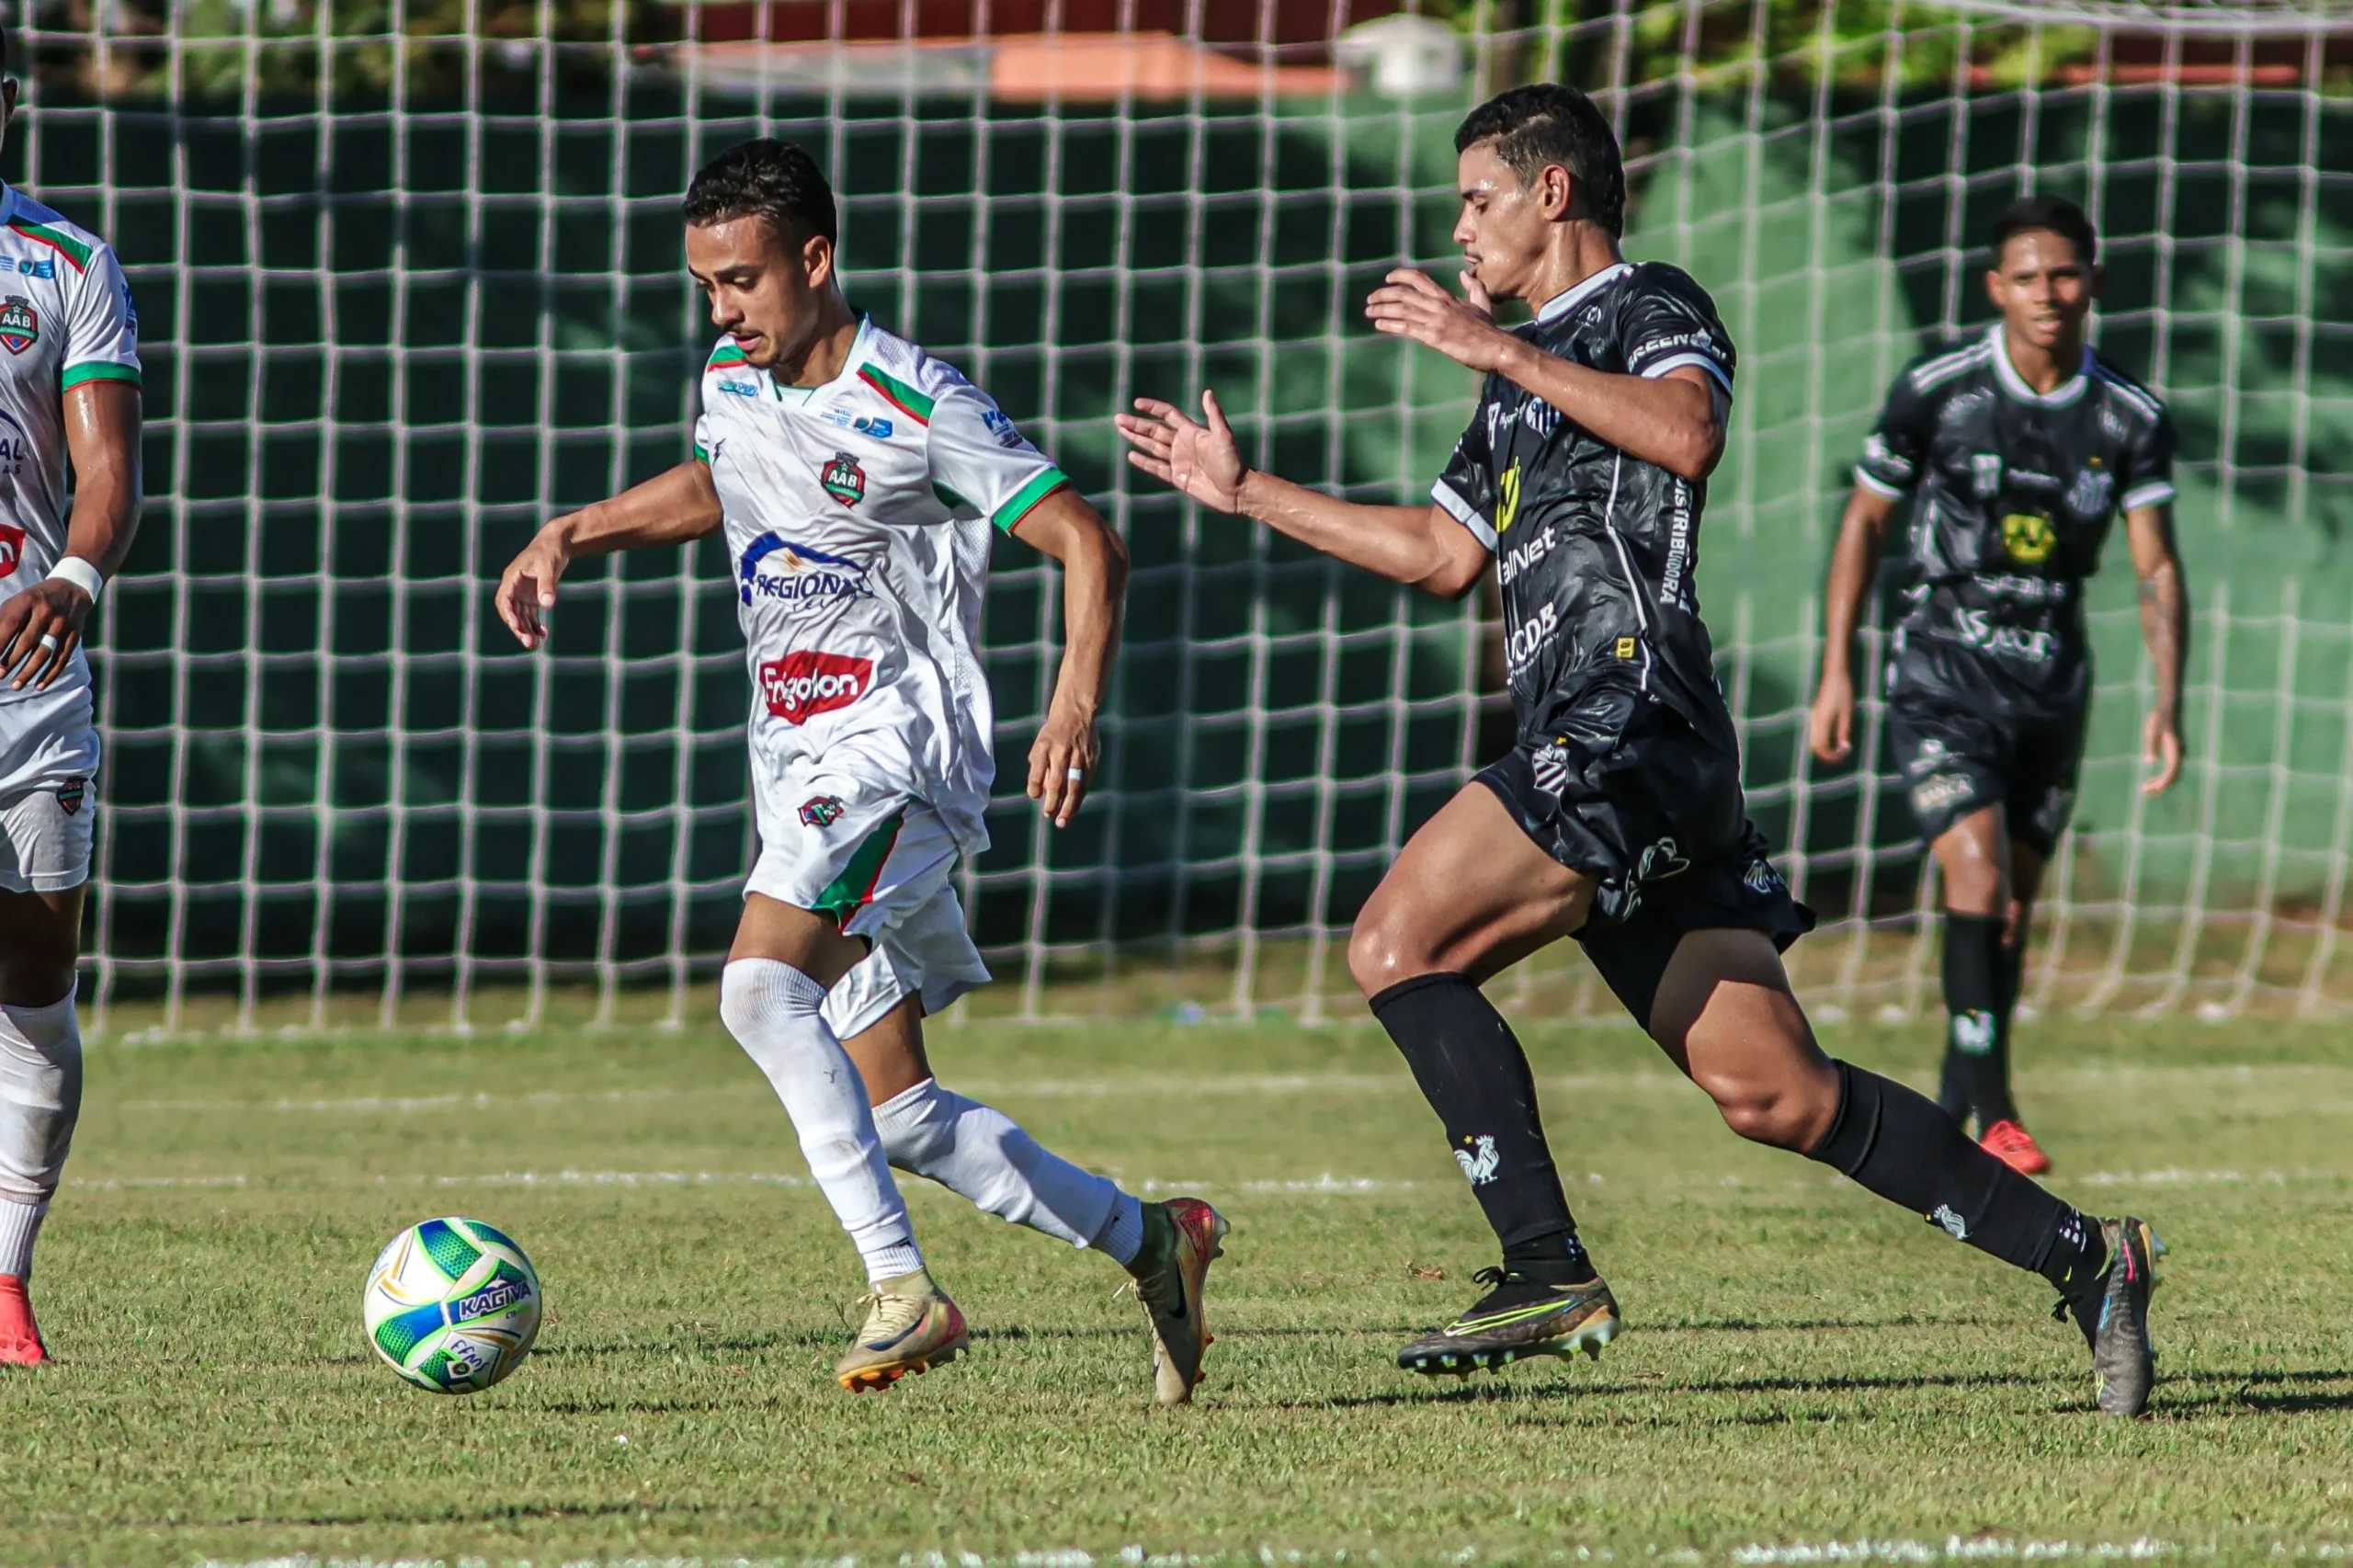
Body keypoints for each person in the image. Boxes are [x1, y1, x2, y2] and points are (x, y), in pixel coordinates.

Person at [1117, 84, 2163, 1415]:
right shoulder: (1517, 379)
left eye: (1476, 198)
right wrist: (1247, 489)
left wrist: (1498, 353)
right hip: (1625, 746)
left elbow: (1687, 433)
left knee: (1396, 943)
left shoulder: (1648, 305)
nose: (1460, 231)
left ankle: (1544, 1266)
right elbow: (1445, 556)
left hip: (1629, 714)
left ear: (1553, 193)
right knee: (1776, 1094)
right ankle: (2091, 1258)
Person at [496, 139, 1224, 1400]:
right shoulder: (735, 371)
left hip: (896, 754)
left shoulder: (921, 405)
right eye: (706, 284)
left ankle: (901, 1287)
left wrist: (1071, 708)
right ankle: (1154, 1237)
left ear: (815, 261)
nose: (721, 308)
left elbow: (1085, 541)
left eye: (741, 281)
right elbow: (723, 482)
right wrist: (577, 529)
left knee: (754, 991)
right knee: (902, 1116)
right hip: (797, 759)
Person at [1808, 196, 2186, 1176]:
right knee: (1971, 875)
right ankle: (1999, 1109)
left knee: (2010, 905)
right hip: (1942, 672)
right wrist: (1835, 669)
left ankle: (1949, 1102)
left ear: (2092, 282)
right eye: (2026, 276)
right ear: (1995, 288)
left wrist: (2166, 699)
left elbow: (2153, 565)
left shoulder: (2129, 415)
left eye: (2064, 273)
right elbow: (1863, 522)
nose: (2047, 293)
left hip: (2052, 688)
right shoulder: (1939, 389)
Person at [0, 28, 147, 1369]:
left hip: (28, 678)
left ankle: (4, 1277)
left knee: (37, 968)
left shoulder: (64, 262)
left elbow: (107, 469)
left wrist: (75, 577)